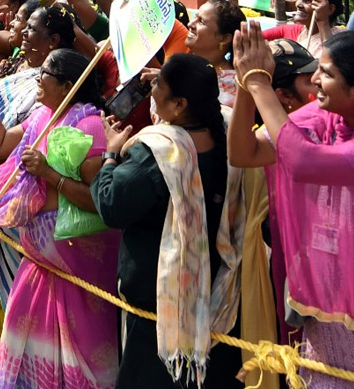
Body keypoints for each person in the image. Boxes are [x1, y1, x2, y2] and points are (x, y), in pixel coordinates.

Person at [0, 47, 121, 389]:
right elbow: (0, 146)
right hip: (38, 261)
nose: (37, 78)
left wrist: (49, 174)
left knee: (78, 353)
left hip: (76, 268)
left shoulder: (91, 126)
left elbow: (99, 200)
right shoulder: (42, 117)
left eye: (45, 73)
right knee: (25, 342)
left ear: (67, 85)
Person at [229, 25, 354, 384]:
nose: (314, 82)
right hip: (328, 301)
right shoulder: (325, 119)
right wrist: (247, 87)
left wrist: (261, 83)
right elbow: (243, 153)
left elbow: (303, 161)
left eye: (326, 73)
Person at [92, 54, 242, 388]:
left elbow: (112, 205)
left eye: (160, 83)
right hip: (216, 298)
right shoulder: (232, 135)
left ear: (179, 104)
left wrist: (110, 156)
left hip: (159, 308)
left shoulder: (160, 151)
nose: (152, 87)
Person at [184, 0, 245, 106]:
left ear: (224, 38)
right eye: (195, 17)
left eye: (201, 22)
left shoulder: (231, 88)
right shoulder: (182, 65)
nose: (190, 24)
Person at [263, 0, 344, 57]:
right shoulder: (292, 30)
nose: (298, 4)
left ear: (330, 9)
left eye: (307, 1)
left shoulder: (342, 41)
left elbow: (333, 62)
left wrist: (322, 22)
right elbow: (253, 39)